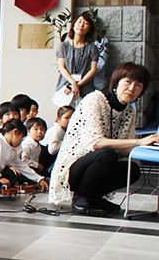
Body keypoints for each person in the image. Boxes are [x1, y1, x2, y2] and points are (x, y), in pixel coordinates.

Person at [49, 62, 157, 215]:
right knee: (107, 154)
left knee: (132, 170)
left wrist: (150, 145)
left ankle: (94, 197)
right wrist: (139, 141)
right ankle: (80, 197)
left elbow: (124, 151)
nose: (132, 88)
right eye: (128, 81)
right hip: (73, 168)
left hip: (98, 163)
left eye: (138, 85)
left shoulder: (129, 111)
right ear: (116, 83)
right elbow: (95, 143)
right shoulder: (94, 99)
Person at [0, 120, 48, 190]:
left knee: (12, 179)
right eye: (21, 138)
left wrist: (39, 179)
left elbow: (22, 166)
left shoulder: (13, 149)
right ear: (16, 132)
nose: (21, 142)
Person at [55, 12, 98, 106]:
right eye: (79, 22)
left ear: (89, 30)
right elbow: (62, 67)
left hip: (85, 87)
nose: (81, 25)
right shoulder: (63, 46)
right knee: (66, 112)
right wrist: (72, 83)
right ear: (73, 26)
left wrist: (77, 85)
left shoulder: (92, 48)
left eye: (86, 23)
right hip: (66, 87)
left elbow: (93, 70)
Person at [41, 105, 74, 171]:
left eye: (72, 117)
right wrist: (65, 141)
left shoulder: (63, 130)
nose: (70, 120)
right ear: (58, 119)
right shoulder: (57, 130)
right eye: (67, 118)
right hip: (44, 158)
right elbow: (52, 150)